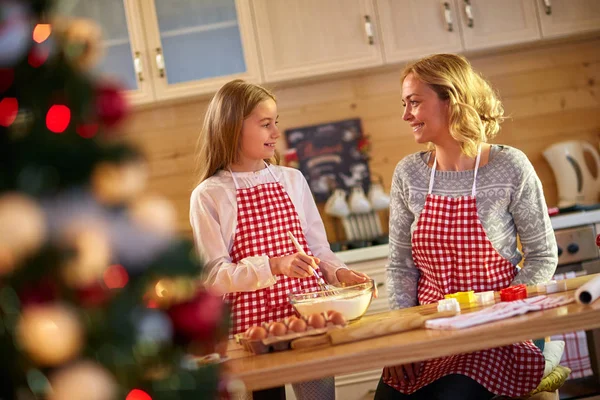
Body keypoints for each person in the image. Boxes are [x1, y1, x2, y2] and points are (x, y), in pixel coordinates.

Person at [375, 54, 558, 399]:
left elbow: (542, 256)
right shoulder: (408, 174)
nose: (405, 115)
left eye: (414, 102)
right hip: (430, 330)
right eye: (404, 104)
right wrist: (402, 338)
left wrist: (505, 310)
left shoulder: (509, 166)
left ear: (452, 100)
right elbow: (400, 267)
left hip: (498, 329)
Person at [190, 79, 371, 400]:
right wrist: (274, 265)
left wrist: (339, 273)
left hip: (307, 321)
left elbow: (317, 249)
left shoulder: (292, 179)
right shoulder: (210, 194)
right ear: (232, 128)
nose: (276, 133)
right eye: (265, 125)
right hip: (250, 332)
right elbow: (215, 277)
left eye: (276, 123)